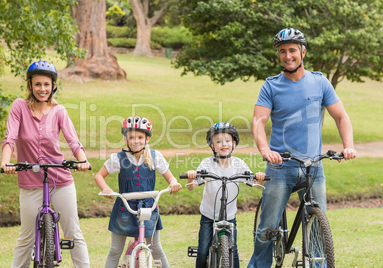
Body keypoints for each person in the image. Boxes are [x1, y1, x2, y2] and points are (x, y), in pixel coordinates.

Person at [248, 28, 357, 267]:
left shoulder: (320, 82)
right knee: (267, 229)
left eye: (292, 50)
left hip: (314, 168)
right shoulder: (271, 86)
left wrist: (348, 146)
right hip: (280, 168)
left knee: (318, 227)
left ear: (303, 52)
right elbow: (259, 121)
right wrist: (265, 149)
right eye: (282, 51)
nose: (288, 56)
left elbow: (341, 117)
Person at [1, 61, 90, 267]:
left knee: (73, 232)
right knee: (26, 237)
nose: (42, 89)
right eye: (38, 84)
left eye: (47, 84)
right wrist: (6, 162)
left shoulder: (59, 111)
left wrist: (83, 160)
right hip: (30, 181)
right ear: (30, 85)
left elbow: (74, 142)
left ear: (53, 86)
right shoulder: (19, 107)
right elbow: (10, 138)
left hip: (60, 180)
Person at [94, 116, 182, 268]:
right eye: (131, 137)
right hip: (124, 208)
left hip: (148, 207)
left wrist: (173, 183)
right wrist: (105, 188)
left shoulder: (155, 157)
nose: (136, 141)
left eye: (140, 137)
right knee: (115, 250)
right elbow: (99, 175)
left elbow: (170, 178)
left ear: (147, 138)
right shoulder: (119, 158)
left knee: (156, 248)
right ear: (126, 139)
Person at [185, 122, 266, 268]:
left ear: (234, 143)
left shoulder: (238, 165)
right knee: (203, 250)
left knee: (232, 251)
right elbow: (191, 187)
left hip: (229, 216)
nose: (224, 144)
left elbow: (255, 183)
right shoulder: (207, 164)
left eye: (228, 141)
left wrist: (259, 178)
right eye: (218, 141)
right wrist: (191, 177)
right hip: (209, 216)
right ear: (212, 145)